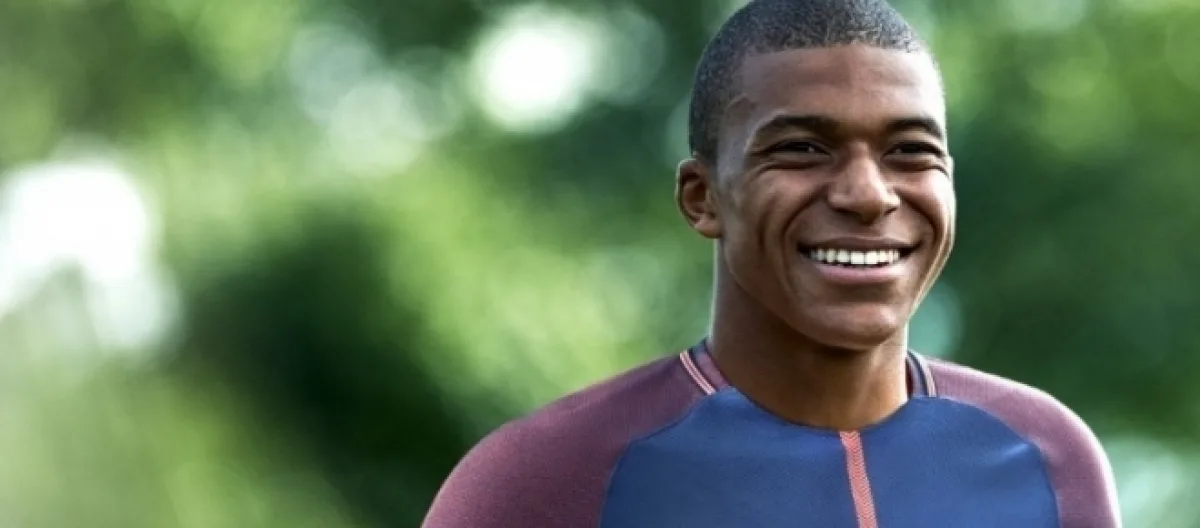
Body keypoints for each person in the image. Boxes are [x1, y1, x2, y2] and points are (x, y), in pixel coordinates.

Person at [422, 0, 1121, 526]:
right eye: (801, 149)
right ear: (702, 198)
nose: (868, 194)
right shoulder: (550, 480)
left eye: (910, 151)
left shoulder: (1045, 456)